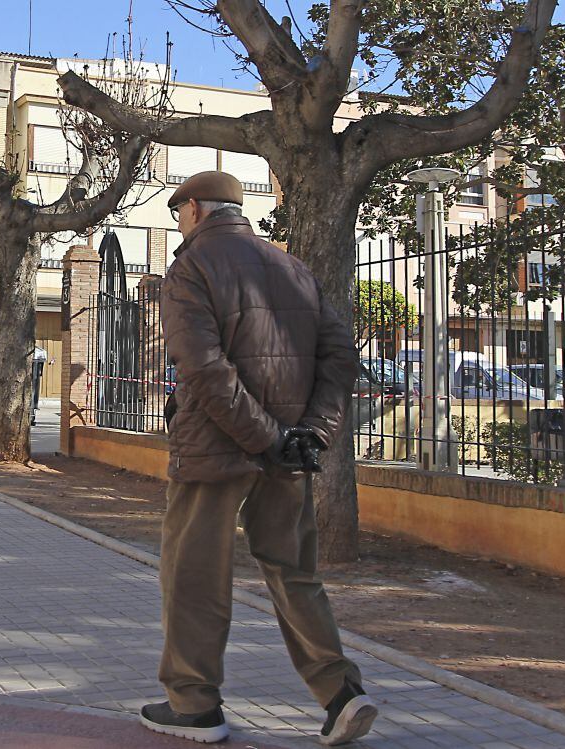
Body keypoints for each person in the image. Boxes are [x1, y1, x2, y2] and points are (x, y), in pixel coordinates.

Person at [140, 171, 377, 745]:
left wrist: (267, 437)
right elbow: (341, 358)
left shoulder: (192, 267)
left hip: (218, 450)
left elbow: (205, 369)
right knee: (295, 572)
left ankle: (195, 706)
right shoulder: (293, 267)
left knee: (195, 574)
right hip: (289, 452)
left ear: (194, 208)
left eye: (178, 213)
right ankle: (341, 693)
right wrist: (311, 435)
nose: (178, 223)